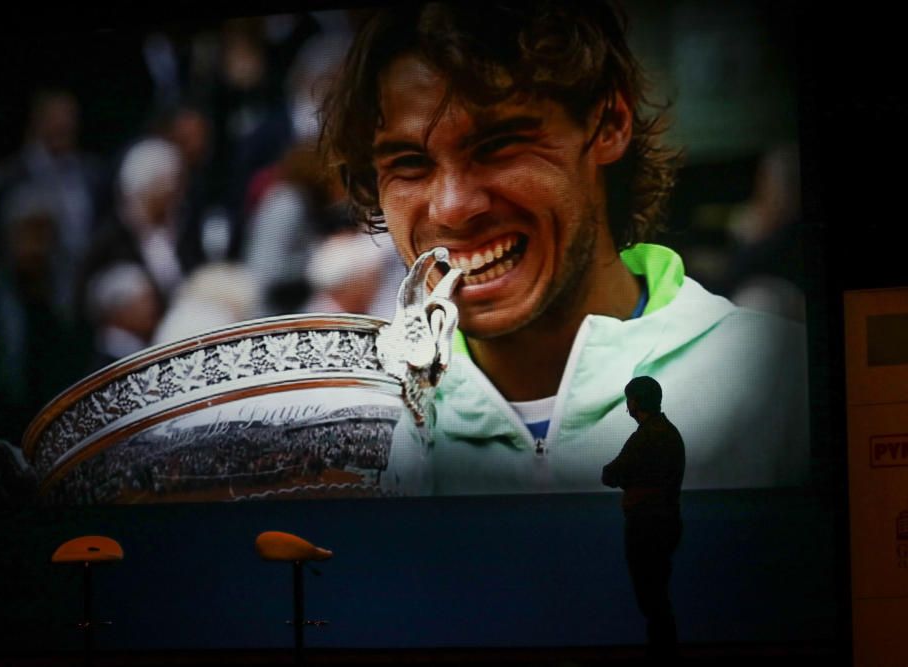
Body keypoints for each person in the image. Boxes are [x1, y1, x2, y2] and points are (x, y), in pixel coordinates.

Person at [320, 1, 808, 494]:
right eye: (408, 163)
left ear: (611, 124)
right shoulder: (352, 425)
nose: (451, 208)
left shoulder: (783, 383)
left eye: (498, 144)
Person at [603, 376, 684, 662]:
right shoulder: (670, 433)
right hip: (668, 521)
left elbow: (610, 474)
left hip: (645, 526)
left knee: (650, 596)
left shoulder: (645, 436)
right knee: (657, 593)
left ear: (634, 402)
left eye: (630, 400)